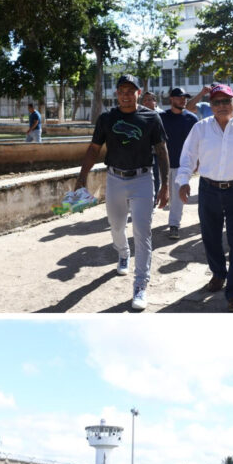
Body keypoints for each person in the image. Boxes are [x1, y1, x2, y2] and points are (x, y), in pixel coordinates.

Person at [74, 74, 170, 311]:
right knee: (116, 226)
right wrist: (81, 177)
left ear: (139, 93)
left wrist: (166, 184)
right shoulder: (107, 118)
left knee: (142, 232)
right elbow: (94, 148)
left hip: (142, 180)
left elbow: (162, 150)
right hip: (115, 178)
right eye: (121, 91)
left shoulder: (151, 117)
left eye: (131, 90)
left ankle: (140, 285)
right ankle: (123, 253)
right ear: (116, 94)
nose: (126, 95)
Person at [175, 84, 233, 312]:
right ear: (211, 105)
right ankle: (218, 274)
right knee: (210, 237)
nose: (222, 106)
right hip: (209, 189)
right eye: (217, 102)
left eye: (226, 101)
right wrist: (183, 180)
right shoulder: (201, 128)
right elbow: (188, 155)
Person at [160, 87, 200, 240]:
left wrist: (197, 160)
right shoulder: (161, 117)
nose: (183, 100)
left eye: (185, 98)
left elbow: (198, 142)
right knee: (154, 194)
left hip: (182, 164)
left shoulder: (191, 119)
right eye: (179, 97)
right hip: (162, 163)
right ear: (171, 99)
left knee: (177, 196)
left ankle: (174, 225)